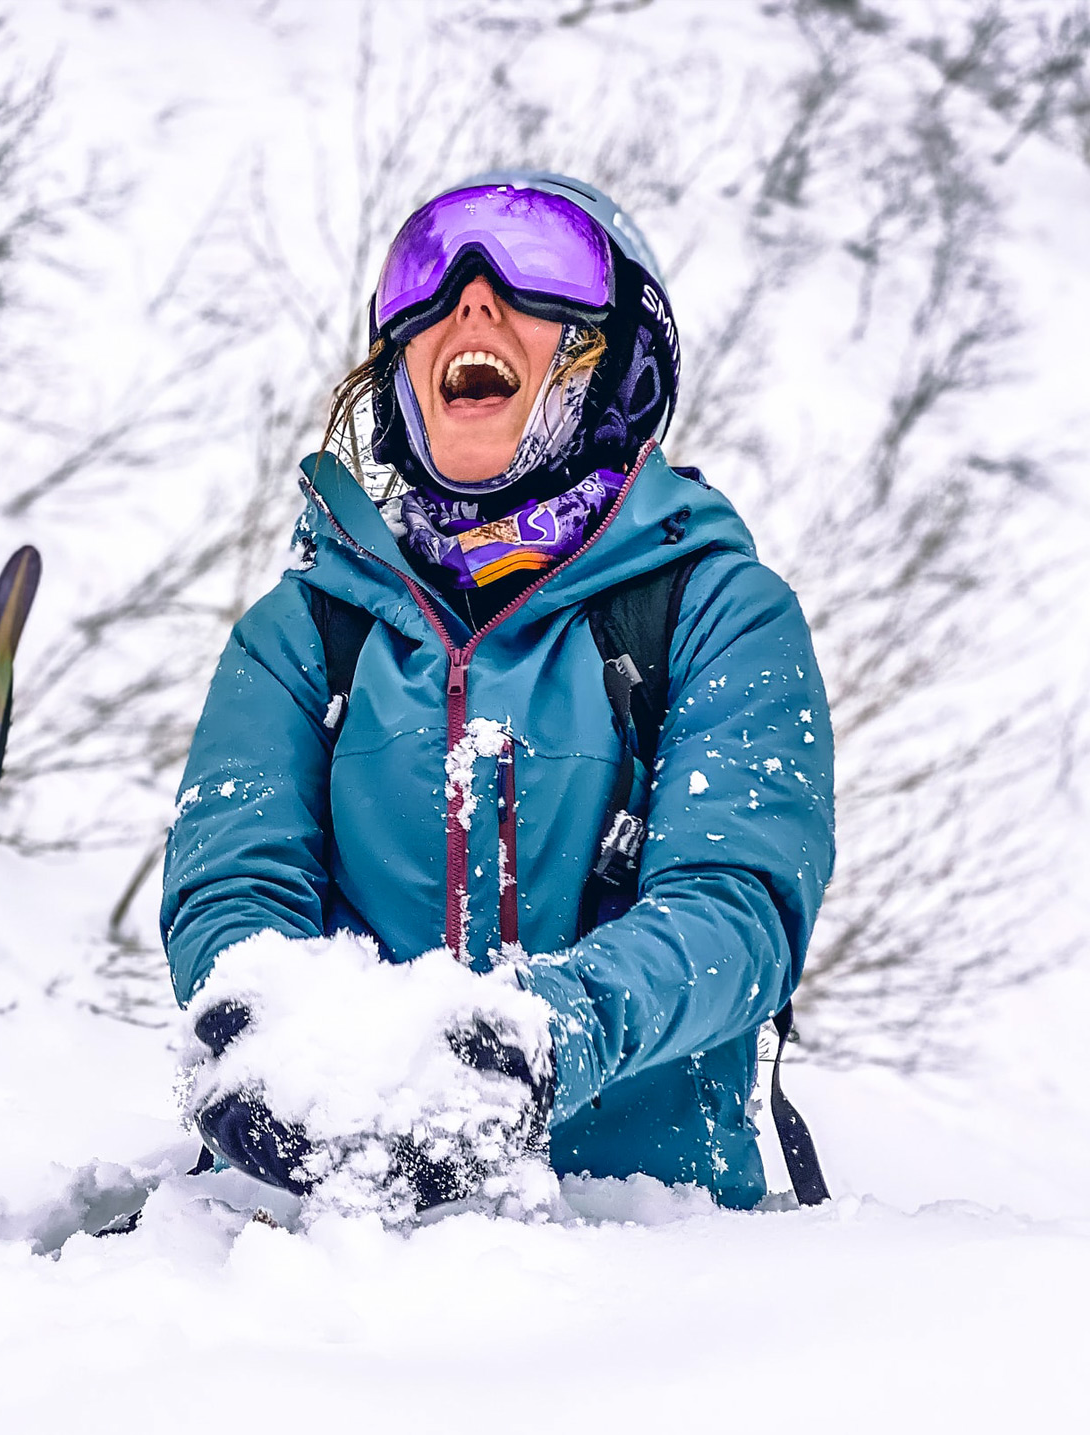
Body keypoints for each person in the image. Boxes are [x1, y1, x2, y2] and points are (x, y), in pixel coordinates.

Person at [161, 173, 835, 1211]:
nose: (468, 301)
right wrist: (259, 1021)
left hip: (643, 1261)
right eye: (424, 274)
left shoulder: (717, 612)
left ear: (617, 359)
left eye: (540, 271)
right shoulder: (302, 632)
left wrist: (538, 1038)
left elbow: (737, 908)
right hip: (306, 1256)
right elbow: (234, 882)